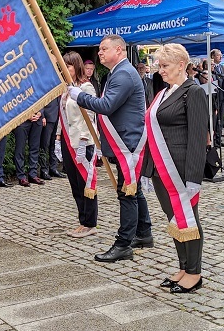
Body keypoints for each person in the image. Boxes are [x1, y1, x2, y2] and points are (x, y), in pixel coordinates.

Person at [68, 34, 153, 262]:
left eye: (105, 49)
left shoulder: (123, 73)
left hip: (128, 143)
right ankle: (144, 233)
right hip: (125, 141)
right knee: (133, 190)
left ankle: (124, 244)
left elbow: (106, 106)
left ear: (119, 50)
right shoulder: (119, 72)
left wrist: (80, 97)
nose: (100, 53)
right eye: (100, 50)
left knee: (126, 193)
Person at [142, 43, 207, 293]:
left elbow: (198, 137)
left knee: (189, 219)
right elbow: (151, 133)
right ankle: (183, 266)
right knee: (174, 219)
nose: (160, 70)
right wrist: (148, 169)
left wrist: (193, 177)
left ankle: (194, 272)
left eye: (165, 65)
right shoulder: (163, 93)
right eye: (159, 65)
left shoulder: (194, 92)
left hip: (180, 169)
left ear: (182, 65)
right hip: (160, 168)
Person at [58, 51, 98, 238]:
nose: (66, 69)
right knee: (74, 182)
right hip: (68, 139)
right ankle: (82, 220)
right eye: (64, 66)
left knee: (85, 182)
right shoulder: (66, 88)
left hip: (83, 141)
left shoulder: (86, 87)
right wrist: (58, 137)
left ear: (77, 66)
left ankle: (90, 222)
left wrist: (83, 140)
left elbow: (90, 116)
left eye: (69, 65)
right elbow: (63, 115)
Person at [13, 111, 46, 186]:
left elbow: (42, 100)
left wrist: (40, 112)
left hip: (37, 121)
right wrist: (26, 115)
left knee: (35, 148)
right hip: (21, 121)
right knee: (20, 149)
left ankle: (33, 174)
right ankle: (21, 176)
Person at [39, 97, 63, 179]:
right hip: (48, 116)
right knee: (45, 145)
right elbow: (40, 99)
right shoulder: (46, 84)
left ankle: (53, 168)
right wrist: (42, 115)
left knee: (54, 144)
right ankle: (44, 170)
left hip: (58, 117)